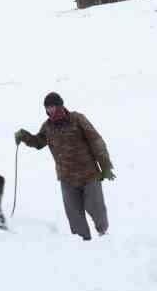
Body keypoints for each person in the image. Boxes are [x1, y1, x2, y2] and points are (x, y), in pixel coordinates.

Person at [14, 91, 115, 241]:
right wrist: (25, 137)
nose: (50, 110)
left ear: (60, 105)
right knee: (74, 215)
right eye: (47, 107)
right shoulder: (47, 127)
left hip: (89, 174)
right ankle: (83, 243)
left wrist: (105, 166)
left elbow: (96, 141)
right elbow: (39, 142)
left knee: (95, 207)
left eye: (53, 106)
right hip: (67, 178)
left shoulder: (77, 119)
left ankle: (104, 235)